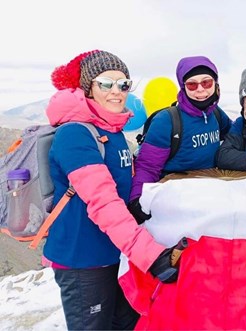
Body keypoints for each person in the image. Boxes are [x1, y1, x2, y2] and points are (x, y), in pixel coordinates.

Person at [44, 50, 183, 330]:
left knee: (127, 323)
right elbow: (103, 201)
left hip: (114, 253)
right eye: (106, 83)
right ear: (88, 87)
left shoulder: (113, 131)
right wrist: (151, 255)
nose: (117, 92)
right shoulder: (75, 134)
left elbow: (125, 190)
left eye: (123, 84)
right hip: (83, 260)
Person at [128, 56, 232, 223]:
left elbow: (238, 138)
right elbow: (148, 166)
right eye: (192, 84)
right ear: (183, 87)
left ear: (216, 83)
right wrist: (138, 198)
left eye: (206, 83)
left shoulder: (217, 114)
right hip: (175, 199)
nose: (200, 89)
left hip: (210, 196)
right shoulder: (166, 121)